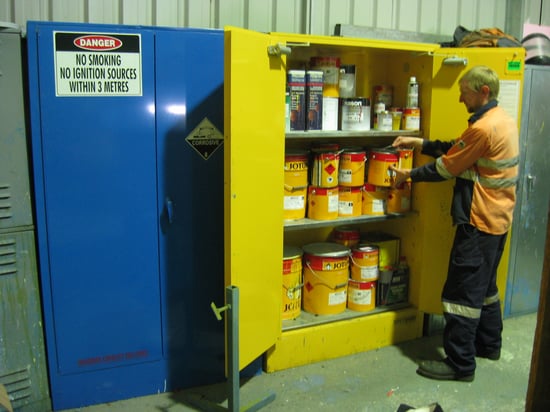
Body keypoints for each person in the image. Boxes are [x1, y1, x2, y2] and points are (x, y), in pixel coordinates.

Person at [390, 65, 519, 382]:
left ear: (483, 92)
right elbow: (458, 149)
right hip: (499, 220)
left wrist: (409, 175)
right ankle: (489, 345)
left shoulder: (483, 128)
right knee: (485, 289)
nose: (460, 98)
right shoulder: (501, 120)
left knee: (461, 296)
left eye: (465, 91)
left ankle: (461, 364)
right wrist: (419, 144)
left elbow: (447, 167)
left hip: (478, 220)